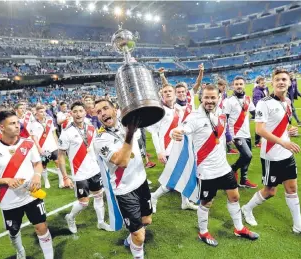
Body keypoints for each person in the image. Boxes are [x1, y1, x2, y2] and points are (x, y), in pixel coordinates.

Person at [171, 84, 259, 247]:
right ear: (201, 98)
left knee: (234, 197)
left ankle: (239, 228)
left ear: (219, 98)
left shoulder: (220, 113)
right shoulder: (194, 117)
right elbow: (183, 128)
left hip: (224, 168)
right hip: (207, 172)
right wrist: (175, 132)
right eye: (207, 97)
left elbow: (221, 133)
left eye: (213, 97)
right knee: (206, 203)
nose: (210, 101)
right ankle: (203, 232)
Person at [241, 68, 301, 238]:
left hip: (286, 154)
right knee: (270, 191)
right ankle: (246, 209)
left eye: (284, 79)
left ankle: (298, 225)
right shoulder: (265, 102)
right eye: (277, 79)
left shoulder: (287, 103)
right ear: (272, 83)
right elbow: (260, 130)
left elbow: (280, 127)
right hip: (271, 155)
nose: (281, 82)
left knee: (292, 188)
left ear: (289, 82)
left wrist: (289, 131)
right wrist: (283, 141)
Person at [0, 110, 54, 259]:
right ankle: (21, 253)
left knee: (41, 226)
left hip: (31, 195)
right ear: (1, 127)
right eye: (12, 123)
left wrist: (37, 176)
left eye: (17, 122)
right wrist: (6, 180)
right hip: (9, 200)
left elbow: (37, 163)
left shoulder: (28, 143)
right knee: (13, 231)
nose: (17, 126)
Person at [94, 99, 152, 259]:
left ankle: (130, 239)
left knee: (147, 220)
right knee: (140, 236)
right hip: (125, 190)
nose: (103, 113)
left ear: (115, 109)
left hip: (142, 181)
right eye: (98, 112)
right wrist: (130, 133)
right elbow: (121, 162)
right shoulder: (100, 139)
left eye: (105, 108)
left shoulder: (127, 122)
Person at [58, 101, 111, 233]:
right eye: (75, 111)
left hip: (95, 170)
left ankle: (101, 222)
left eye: (80, 111)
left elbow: (95, 146)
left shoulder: (91, 126)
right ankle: (70, 217)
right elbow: (60, 156)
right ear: (71, 114)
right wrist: (65, 177)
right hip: (79, 173)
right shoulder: (66, 132)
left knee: (99, 196)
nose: (78, 114)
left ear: (85, 112)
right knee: (84, 203)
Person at [149, 71, 198, 213]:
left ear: (175, 94)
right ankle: (154, 197)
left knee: (185, 173)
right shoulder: (159, 111)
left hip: (180, 147)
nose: (168, 93)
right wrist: (159, 152)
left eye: (170, 91)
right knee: (173, 180)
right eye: (165, 91)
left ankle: (185, 202)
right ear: (162, 95)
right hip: (167, 150)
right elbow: (154, 133)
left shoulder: (178, 109)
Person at [223, 76, 257, 188]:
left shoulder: (248, 99)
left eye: (240, 84)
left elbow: (255, 113)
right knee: (248, 155)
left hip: (246, 133)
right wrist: (228, 135)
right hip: (236, 134)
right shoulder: (228, 101)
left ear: (244, 85)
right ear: (233, 86)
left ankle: (243, 180)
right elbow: (224, 119)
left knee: (247, 157)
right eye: (236, 84)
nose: (238, 86)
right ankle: (232, 169)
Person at [30, 105, 65, 189]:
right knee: (44, 165)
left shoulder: (49, 121)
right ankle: (46, 181)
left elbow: (54, 133)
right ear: (37, 113)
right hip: (43, 148)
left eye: (44, 111)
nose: (43, 113)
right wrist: (38, 148)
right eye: (41, 112)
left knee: (57, 162)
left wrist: (57, 144)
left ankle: (61, 180)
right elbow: (34, 138)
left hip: (53, 147)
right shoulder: (33, 124)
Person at [252, 76, 269, 147]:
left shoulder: (264, 89)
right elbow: (257, 103)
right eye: (262, 83)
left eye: (264, 82)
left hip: (265, 109)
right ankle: (257, 142)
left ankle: (263, 139)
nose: (264, 84)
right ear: (258, 83)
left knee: (264, 125)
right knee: (260, 126)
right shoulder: (257, 92)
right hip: (260, 111)